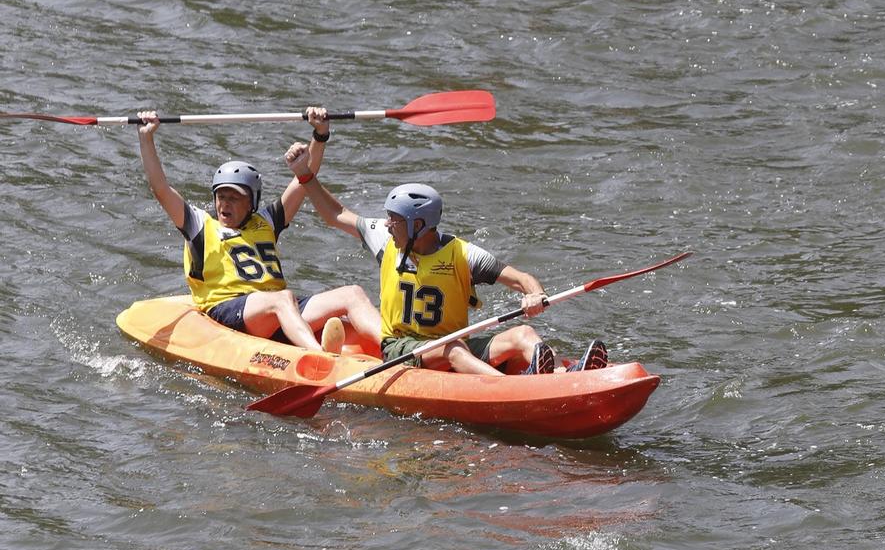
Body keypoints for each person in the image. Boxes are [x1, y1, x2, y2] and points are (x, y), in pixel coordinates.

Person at [294, 112, 608, 376]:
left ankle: (565, 375)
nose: (388, 224)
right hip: (402, 349)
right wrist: (305, 174)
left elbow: (522, 280)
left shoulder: (463, 254)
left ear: (419, 225)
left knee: (523, 335)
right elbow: (337, 214)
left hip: (452, 342)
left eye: (395, 219)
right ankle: (515, 387)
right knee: (452, 349)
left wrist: (535, 295)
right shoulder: (385, 238)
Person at [134, 111, 381, 356]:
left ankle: (395, 348)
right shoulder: (200, 225)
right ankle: (320, 357)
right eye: (221, 197)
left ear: (252, 202)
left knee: (352, 294)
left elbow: (305, 178)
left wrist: (320, 134)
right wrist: (146, 139)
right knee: (282, 299)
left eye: (234, 198)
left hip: (276, 311)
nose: (224, 205)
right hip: (229, 310)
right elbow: (161, 189)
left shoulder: (266, 222)